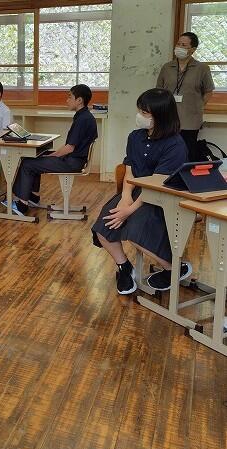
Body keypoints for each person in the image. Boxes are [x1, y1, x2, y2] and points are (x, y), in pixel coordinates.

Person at [91, 88, 191, 295]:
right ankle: (124, 266)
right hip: (137, 193)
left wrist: (129, 211)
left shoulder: (175, 145)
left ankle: (175, 268)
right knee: (103, 226)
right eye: (140, 111)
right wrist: (125, 197)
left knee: (135, 231)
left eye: (145, 113)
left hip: (162, 197)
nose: (140, 116)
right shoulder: (135, 137)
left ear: (161, 116)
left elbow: (158, 185)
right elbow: (130, 170)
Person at [4, 84, 98, 216]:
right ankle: (33, 196)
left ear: (79, 100)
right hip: (76, 159)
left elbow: (69, 148)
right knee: (34, 157)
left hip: (72, 162)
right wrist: (52, 155)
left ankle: (22, 205)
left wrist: (53, 155)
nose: (67, 100)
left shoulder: (82, 119)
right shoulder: (85, 116)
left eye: (69, 97)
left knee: (27, 163)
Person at [156, 32, 215, 162]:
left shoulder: (202, 68)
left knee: (188, 153)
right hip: (168, 118)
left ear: (192, 49)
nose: (179, 47)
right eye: (178, 44)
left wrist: (199, 106)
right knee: (167, 153)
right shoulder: (167, 67)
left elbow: (209, 91)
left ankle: (187, 175)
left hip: (190, 120)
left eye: (184, 45)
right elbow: (159, 91)